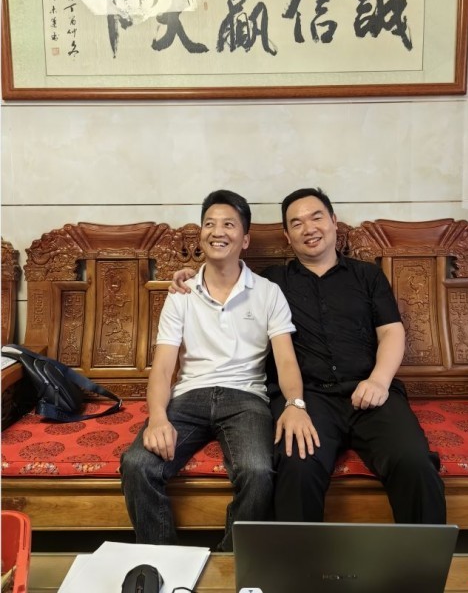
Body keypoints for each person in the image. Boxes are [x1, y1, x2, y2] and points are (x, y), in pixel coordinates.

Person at [171, 187, 446, 525]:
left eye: (316, 218)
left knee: (414, 462)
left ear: (333, 221)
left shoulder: (367, 275)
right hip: (308, 398)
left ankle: (421, 558)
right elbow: (224, 275)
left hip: (370, 392)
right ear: (287, 237)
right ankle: (298, 560)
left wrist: (379, 380)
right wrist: (188, 275)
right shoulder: (271, 283)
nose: (309, 229)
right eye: (297, 223)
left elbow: (391, 332)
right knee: (296, 465)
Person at [120, 189, 318, 551]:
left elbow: (286, 360)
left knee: (258, 471)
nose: (217, 231)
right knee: (137, 463)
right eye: (209, 224)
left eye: (229, 224)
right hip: (189, 397)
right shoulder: (181, 293)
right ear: (201, 235)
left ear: (245, 239)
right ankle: (164, 561)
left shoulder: (268, 292)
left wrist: (295, 403)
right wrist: (158, 417)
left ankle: (228, 563)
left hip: (246, 399)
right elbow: (163, 367)